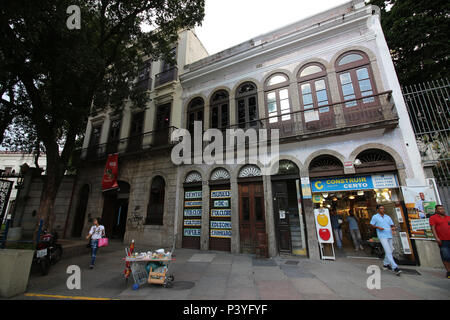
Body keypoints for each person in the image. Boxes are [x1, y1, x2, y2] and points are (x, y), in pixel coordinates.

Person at [370, 205, 402, 275]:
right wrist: (378, 227)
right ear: (378, 210)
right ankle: (395, 267)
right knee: (388, 251)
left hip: (389, 235)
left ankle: (385, 264)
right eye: (381, 208)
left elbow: (392, 225)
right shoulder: (375, 217)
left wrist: (393, 228)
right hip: (382, 236)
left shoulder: (388, 217)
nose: (383, 210)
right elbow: (372, 225)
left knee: (391, 249)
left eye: (383, 209)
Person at [429, 205, 450, 279]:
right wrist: (437, 238)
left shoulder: (448, 218)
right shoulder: (433, 218)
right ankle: (448, 271)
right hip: (443, 240)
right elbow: (433, 228)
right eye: (440, 209)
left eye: (443, 209)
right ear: (436, 210)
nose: (442, 210)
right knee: (446, 256)